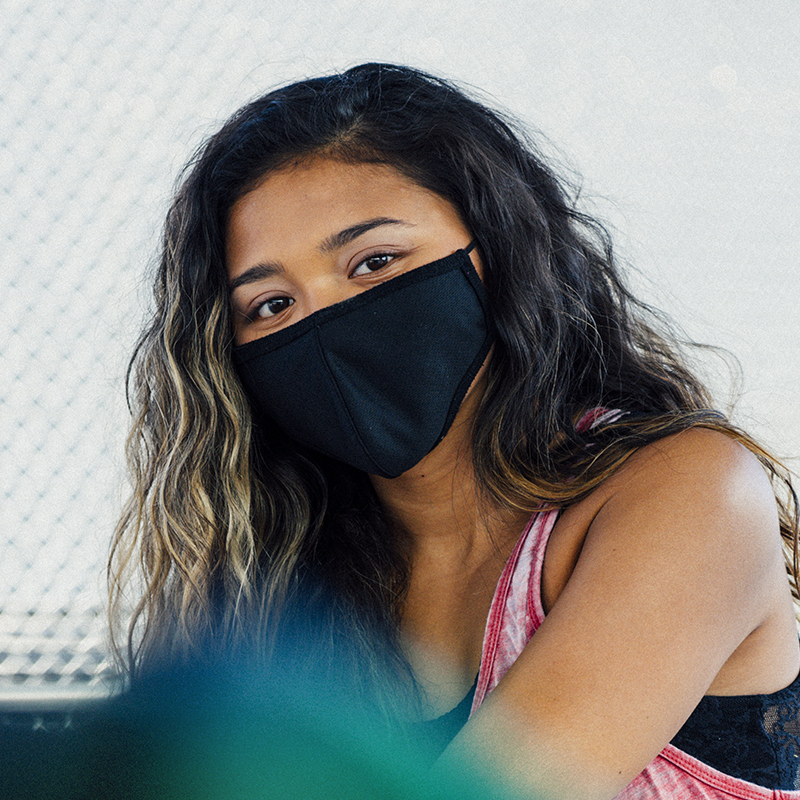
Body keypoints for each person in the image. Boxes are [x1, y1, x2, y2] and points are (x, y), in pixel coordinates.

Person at [110, 62, 800, 799]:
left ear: (498, 249)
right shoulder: (281, 581)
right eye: (273, 305)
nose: (324, 323)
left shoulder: (689, 491)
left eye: (374, 262)